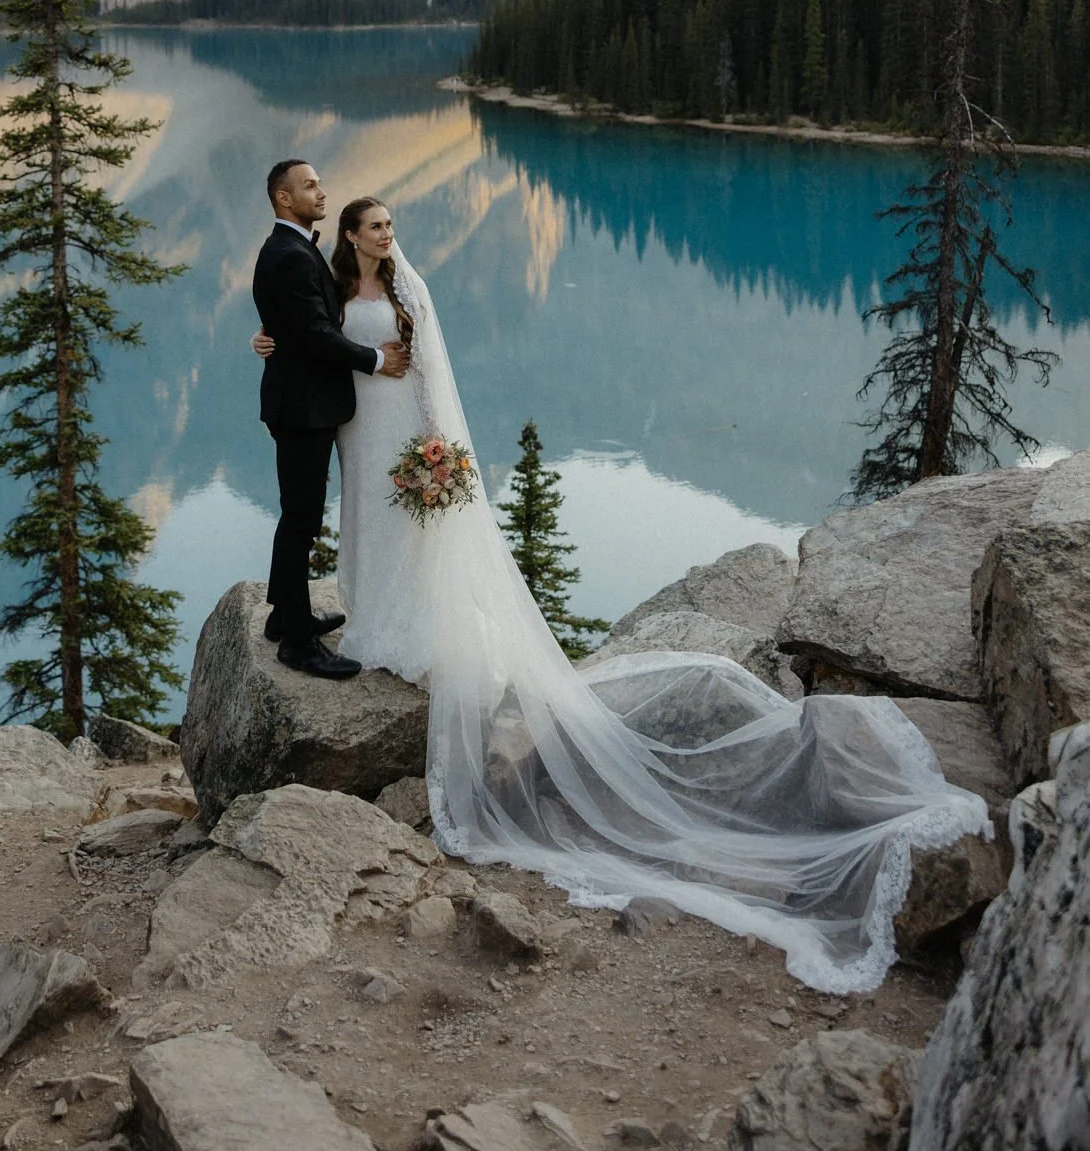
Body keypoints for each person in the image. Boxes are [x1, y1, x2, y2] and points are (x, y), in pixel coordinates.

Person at [252, 192, 992, 994]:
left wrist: (437, 440)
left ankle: (411, 624)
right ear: (351, 237)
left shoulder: (405, 288)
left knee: (410, 529)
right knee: (364, 520)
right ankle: (367, 610)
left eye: (391, 225)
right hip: (359, 428)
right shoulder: (328, 274)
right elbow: (309, 329)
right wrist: (273, 341)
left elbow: (428, 365)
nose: (387, 235)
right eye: (376, 227)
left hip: (403, 423)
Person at [252, 159, 408, 678]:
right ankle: (296, 643)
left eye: (319, 184)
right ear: (282, 197)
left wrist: (267, 333)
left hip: (302, 403)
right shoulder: (291, 253)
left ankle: (284, 615)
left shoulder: (294, 248)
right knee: (300, 519)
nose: (321, 192)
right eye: (310, 186)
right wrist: (377, 360)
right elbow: (316, 333)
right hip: (303, 408)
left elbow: (293, 322)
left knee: (299, 515)